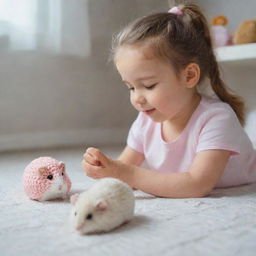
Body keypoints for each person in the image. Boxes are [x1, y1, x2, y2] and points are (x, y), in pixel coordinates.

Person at [82, 3, 256, 198]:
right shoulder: (145, 121)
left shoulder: (217, 118)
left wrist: (125, 172)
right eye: (131, 87)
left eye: (148, 85)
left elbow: (197, 184)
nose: (137, 98)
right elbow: (121, 172)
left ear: (189, 76)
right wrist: (105, 170)